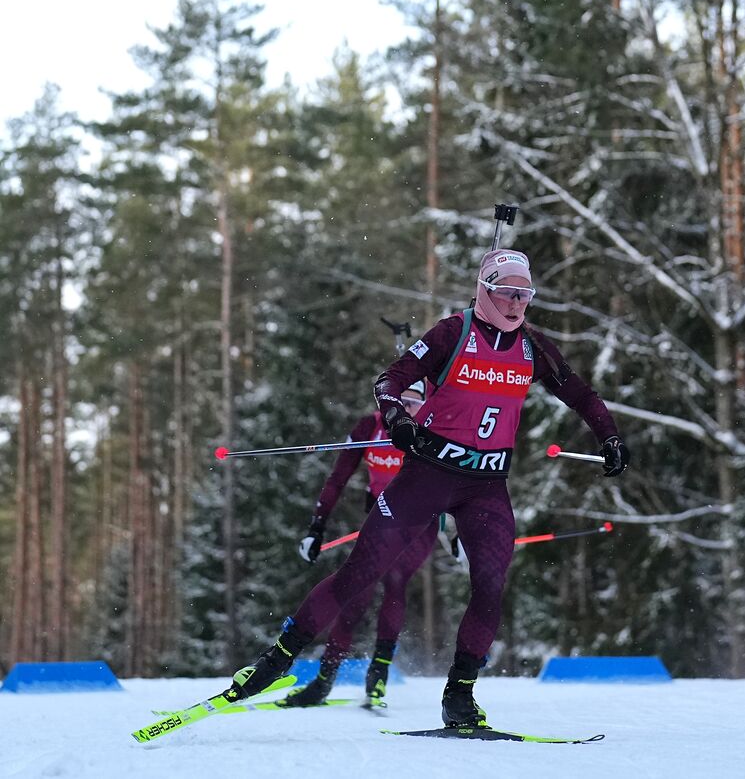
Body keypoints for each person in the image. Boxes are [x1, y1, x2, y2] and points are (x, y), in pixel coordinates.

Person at [220, 247, 630, 729]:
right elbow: (390, 381)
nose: (518, 304)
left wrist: (609, 435)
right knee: (360, 575)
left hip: (486, 485)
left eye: (525, 295)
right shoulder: (452, 334)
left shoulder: (532, 347)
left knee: (491, 587)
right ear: (485, 291)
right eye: (507, 293)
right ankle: (276, 661)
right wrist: (396, 418)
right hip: (427, 477)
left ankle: (459, 695)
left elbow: (578, 392)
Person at [280, 380, 435, 708]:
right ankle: (323, 682)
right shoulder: (370, 426)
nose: (407, 410)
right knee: (356, 593)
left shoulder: (432, 426)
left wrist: (457, 535)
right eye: (401, 402)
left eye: (415, 404)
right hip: (382, 516)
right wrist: (316, 527)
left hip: (421, 522)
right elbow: (338, 477)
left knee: (395, 582)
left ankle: (377, 676)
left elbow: (455, 483)